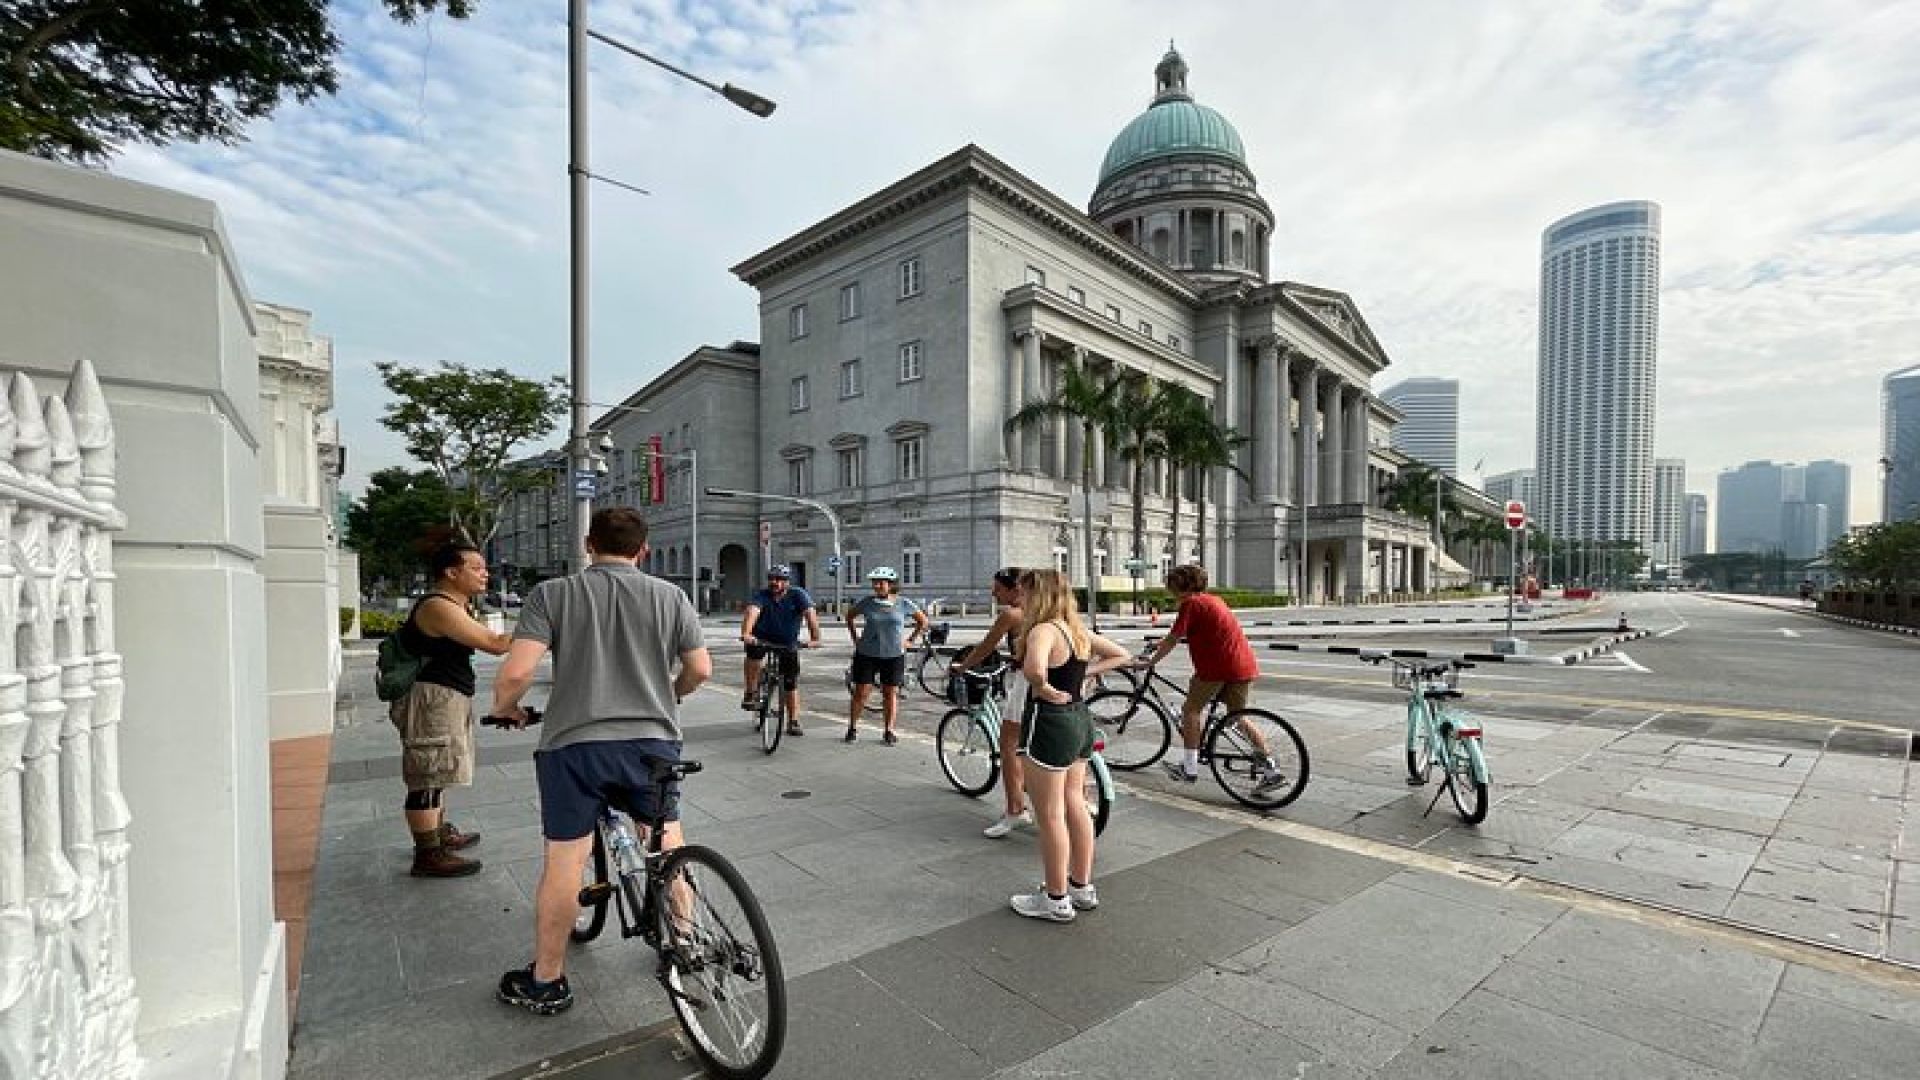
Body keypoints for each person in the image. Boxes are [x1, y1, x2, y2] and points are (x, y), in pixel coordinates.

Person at [489, 508, 711, 1016]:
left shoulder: (553, 594)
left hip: (575, 746)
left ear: (589, 545)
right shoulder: (672, 596)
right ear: (644, 550)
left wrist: (505, 708)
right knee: (667, 840)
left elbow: (516, 674)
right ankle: (686, 943)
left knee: (565, 861)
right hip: (653, 743)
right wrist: (669, 695)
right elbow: (700, 669)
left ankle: (547, 980)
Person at [1009, 568, 1130, 922]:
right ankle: (1081, 886)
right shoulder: (1076, 630)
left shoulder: (1043, 630)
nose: (1020, 598)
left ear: (1038, 595)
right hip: (1079, 719)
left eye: (1024, 592)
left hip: (1049, 721)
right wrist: (1084, 675)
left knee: (1049, 815)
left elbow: (1033, 669)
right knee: (1075, 802)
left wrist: (1044, 688)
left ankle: (1055, 898)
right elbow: (1121, 654)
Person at [389, 543, 511, 878]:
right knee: (427, 775)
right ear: (451, 572)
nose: (485, 574)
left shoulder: (454, 604)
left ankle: (437, 834)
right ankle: (428, 854)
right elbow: (494, 644)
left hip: (444, 696)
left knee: (437, 771)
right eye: (477, 568)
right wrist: (541, 632)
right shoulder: (439, 607)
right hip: (431, 699)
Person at [1138, 563, 1286, 791]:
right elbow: (1194, 632)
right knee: (1237, 717)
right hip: (1242, 665)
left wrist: (1151, 662)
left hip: (1216, 668)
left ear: (1179, 585)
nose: (1168, 588)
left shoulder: (1190, 603)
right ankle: (1271, 770)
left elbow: (1174, 638)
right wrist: (1160, 643)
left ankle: (1189, 768)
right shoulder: (1214, 600)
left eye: (1170, 583)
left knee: (1191, 711)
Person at [949, 567, 1031, 837]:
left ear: (1015, 589)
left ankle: (1015, 810)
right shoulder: (1048, 611)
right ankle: (1082, 798)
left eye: (998, 589)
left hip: (1027, 683)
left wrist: (963, 666)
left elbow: (986, 647)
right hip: (1060, 683)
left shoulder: (1012, 614)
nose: (993, 593)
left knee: (1008, 746)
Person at [844, 565, 928, 745]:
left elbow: (923, 622)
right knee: (861, 691)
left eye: (881, 583)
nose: (877, 586)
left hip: (893, 654)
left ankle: (889, 730)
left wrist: (910, 640)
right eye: (874, 583)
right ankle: (852, 727)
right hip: (867, 653)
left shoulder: (903, 603)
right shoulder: (867, 602)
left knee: (890, 693)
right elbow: (849, 616)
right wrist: (855, 639)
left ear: (891, 584)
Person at [740, 564, 822, 736]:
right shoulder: (762, 595)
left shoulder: (798, 594)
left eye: (779, 579)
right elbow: (752, 612)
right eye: (771, 579)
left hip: (787, 642)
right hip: (761, 638)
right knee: (753, 654)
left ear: (787, 582)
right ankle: (750, 692)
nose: (775, 582)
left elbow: (810, 614)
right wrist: (746, 633)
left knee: (790, 683)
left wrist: (815, 638)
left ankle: (793, 721)